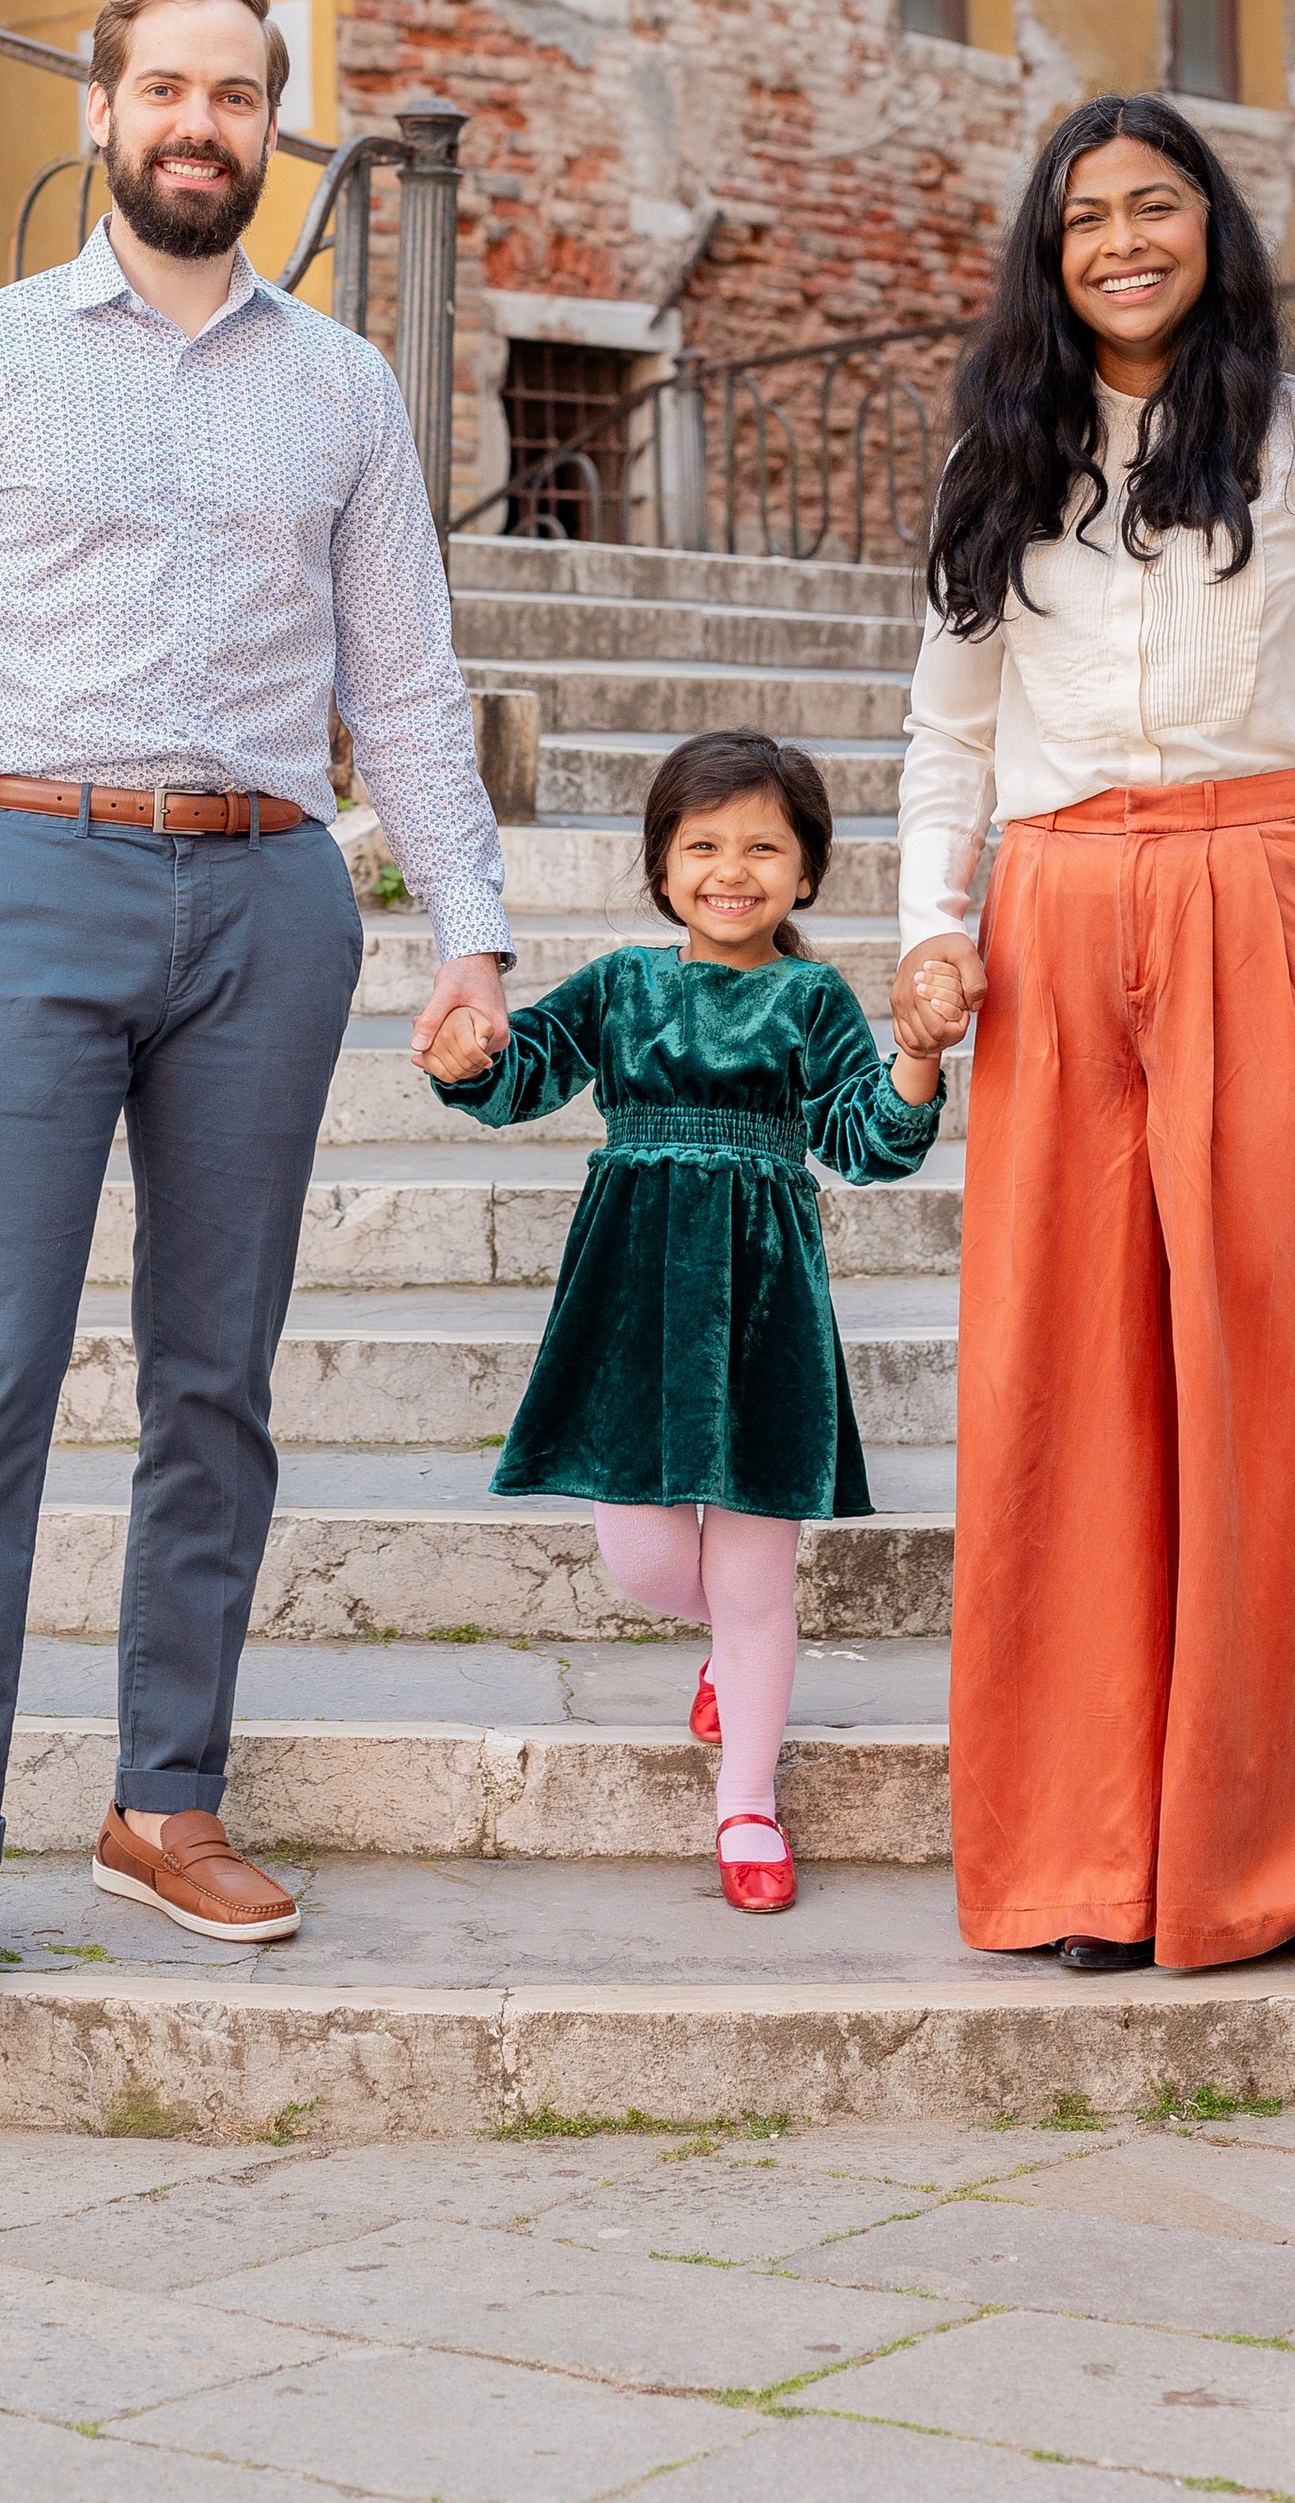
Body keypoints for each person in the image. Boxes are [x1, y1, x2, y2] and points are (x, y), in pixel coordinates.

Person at [0, 0, 512, 2016]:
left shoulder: (342, 389)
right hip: (22, 871)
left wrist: (467, 918)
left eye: (234, 93)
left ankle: (163, 1800)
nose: (196, 122)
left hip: (267, 902)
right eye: (163, 88)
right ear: (103, 114)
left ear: (269, 127)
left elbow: (399, 671)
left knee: (212, 1376)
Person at [889, 92, 1295, 1985]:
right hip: (1055, 923)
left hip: (1262, 895)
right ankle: (1090, 1851)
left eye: (1157, 205)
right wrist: (927, 923)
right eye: (1085, 217)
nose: (1122, 239)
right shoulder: (1006, 452)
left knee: (1275, 1371)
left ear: (1211, 227)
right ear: (1046, 255)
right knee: (1065, 1384)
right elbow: (948, 732)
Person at [421, 729, 947, 1912]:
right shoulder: (620, 983)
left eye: (765, 845)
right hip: (634, 1298)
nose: (732, 868)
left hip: (764, 1306)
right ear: (660, 863)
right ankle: (736, 1645)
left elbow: (869, 1140)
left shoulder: (810, 997)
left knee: (759, 1575)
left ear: (806, 871)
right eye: (702, 842)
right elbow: (516, 1077)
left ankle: (747, 1802)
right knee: (645, 1554)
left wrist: (912, 1058)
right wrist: (464, 1050)